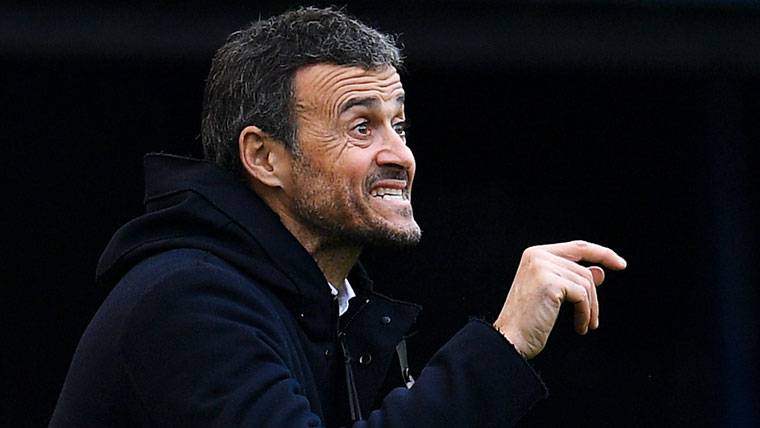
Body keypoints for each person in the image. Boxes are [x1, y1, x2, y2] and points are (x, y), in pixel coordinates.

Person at [51, 6, 627, 427]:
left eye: (399, 126)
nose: (399, 155)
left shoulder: (329, 306)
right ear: (264, 158)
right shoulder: (187, 299)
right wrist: (505, 343)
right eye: (361, 127)